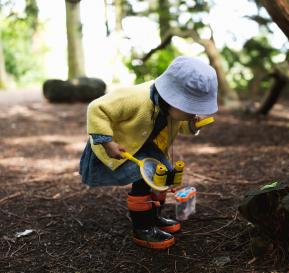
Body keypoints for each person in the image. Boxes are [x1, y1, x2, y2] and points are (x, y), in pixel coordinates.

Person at [79, 56, 218, 249]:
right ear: (172, 99)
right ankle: (142, 228)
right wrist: (107, 142)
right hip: (123, 146)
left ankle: (154, 218)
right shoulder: (135, 98)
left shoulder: (172, 109)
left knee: (163, 177)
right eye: (190, 109)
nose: (193, 114)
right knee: (145, 180)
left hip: (150, 147)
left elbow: (180, 126)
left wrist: (192, 125)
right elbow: (96, 108)